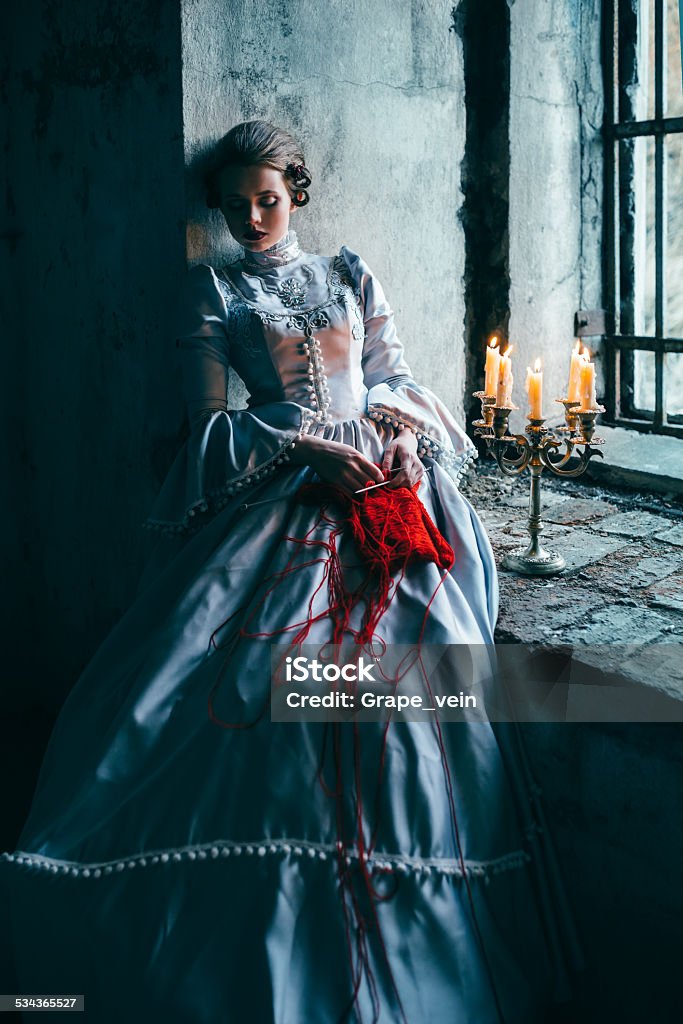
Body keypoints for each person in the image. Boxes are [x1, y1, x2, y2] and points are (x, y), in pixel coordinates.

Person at [2, 120, 582, 1023]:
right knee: (237, 701)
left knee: (414, 691)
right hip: (283, 488)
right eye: (234, 206)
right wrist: (305, 451)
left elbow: (393, 375)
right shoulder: (213, 292)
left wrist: (393, 431)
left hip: (388, 483)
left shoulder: (349, 274)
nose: (252, 219)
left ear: (296, 191)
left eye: (266, 200)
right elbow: (204, 428)